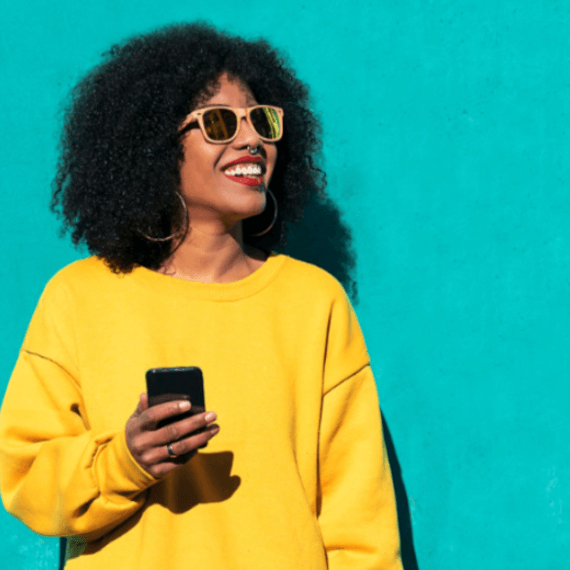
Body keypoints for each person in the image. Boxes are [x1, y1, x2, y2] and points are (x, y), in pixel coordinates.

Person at [0, 23, 403, 570]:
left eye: (262, 120)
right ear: (155, 147)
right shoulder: (79, 297)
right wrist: (125, 460)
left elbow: (361, 524)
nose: (251, 140)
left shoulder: (314, 303)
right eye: (218, 123)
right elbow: (23, 474)